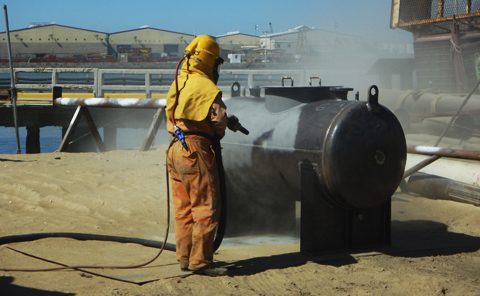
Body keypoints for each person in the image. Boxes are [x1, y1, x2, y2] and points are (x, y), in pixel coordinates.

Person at [165, 35, 228, 276]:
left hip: (174, 149)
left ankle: (184, 257)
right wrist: (218, 130)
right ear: (209, 60)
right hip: (195, 150)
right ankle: (200, 262)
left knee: (184, 207)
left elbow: (171, 113)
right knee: (206, 206)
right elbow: (218, 120)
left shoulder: (180, 81)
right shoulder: (207, 87)